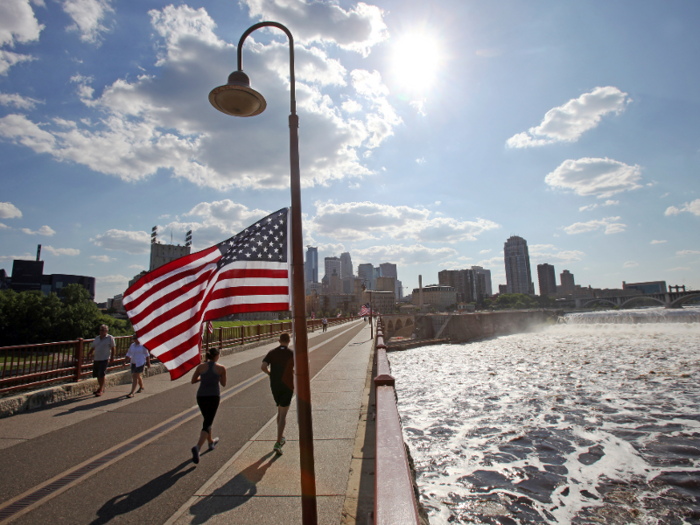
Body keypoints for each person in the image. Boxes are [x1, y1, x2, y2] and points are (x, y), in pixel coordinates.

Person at [190, 347, 227, 464]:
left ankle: (210, 441)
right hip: (213, 396)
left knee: (207, 419)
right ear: (216, 356)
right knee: (208, 422)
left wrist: (204, 377)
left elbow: (193, 380)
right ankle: (198, 447)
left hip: (201, 396)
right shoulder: (221, 368)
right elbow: (223, 383)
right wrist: (215, 376)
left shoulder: (200, 367)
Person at [261, 333, 294, 455]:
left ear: (279, 340)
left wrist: (270, 373)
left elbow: (263, 366)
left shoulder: (272, 352)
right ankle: (278, 442)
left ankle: (281, 436)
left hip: (275, 385)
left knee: (280, 410)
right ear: (289, 341)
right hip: (287, 385)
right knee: (283, 414)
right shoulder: (291, 353)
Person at [87, 324, 115, 397]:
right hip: (97, 358)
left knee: (101, 373)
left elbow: (113, 347)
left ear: (106, 331)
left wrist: (112, 357)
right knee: (97, 374)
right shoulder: (97, 338)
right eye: (100, 330)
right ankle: (100, 387)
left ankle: (101, 389)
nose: (101, 331)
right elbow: (93, 347)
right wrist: (89, 353)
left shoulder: (109, 338)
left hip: (104, 358)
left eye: (103, 330)